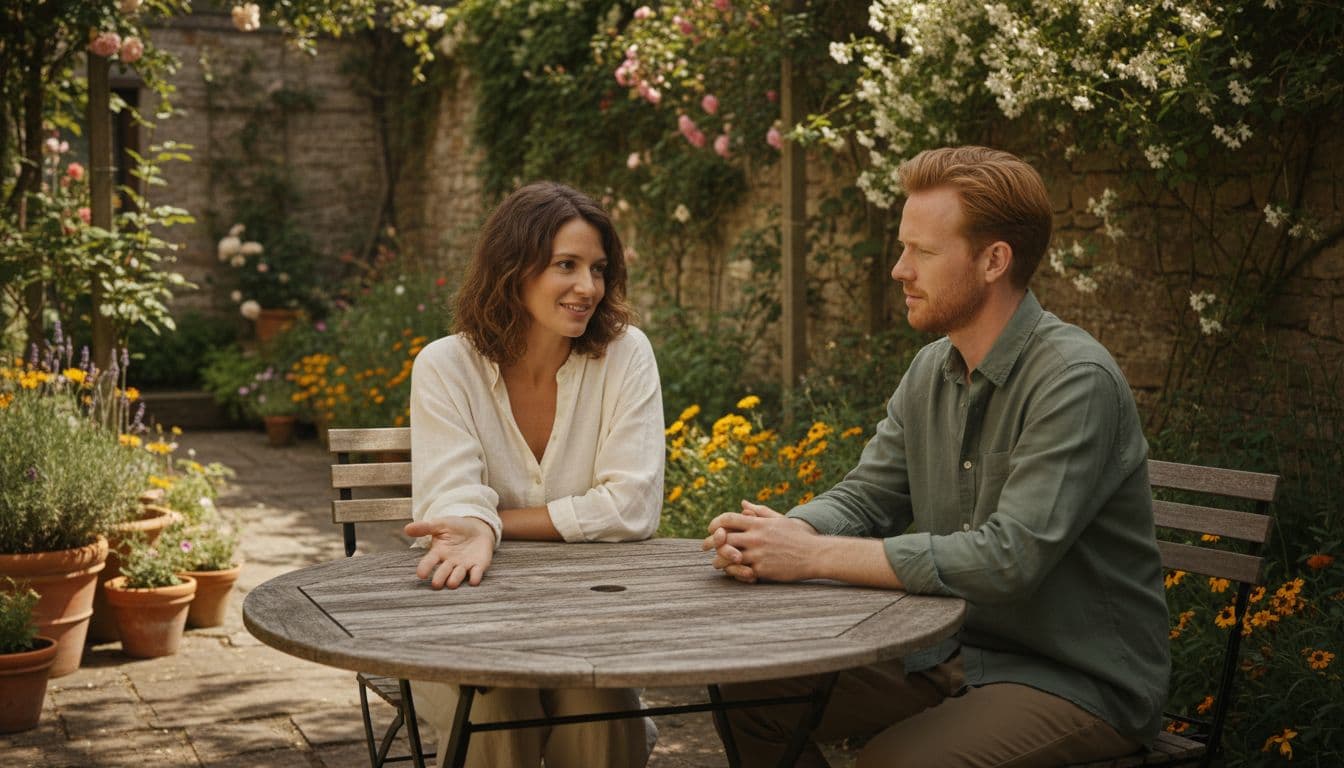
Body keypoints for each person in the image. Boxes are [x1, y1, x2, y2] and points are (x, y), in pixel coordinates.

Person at [703, 146, 1170, 767]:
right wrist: (786, 531)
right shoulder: (933, 370)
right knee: (749, 696)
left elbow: (1009, 559)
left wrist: (813, 555)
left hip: (1074, 680)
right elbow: (867, 496)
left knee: (891, 765)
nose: (898, 269)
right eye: (903, 248)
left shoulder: (1073, 380)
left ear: (993, 261)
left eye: (921, 252)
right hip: (950, 655)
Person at [405, 181, 663, 768]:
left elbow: (631, 507)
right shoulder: (446, 366)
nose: (587, 287)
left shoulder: (625, 355)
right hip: (469, 626)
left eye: (598, 269)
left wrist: (490, 525)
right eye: (564, 266)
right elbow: (451, 495)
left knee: (598, 695)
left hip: (588, 624)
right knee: (497, 696)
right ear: (511, 269)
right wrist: (470, 520)